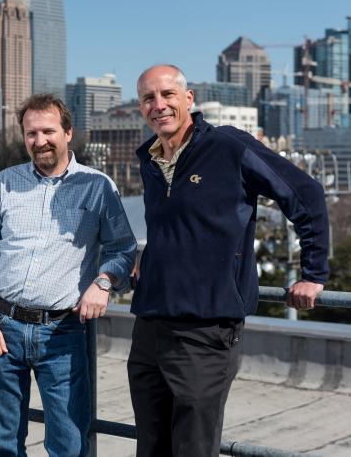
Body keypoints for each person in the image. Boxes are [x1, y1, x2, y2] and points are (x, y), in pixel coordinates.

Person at [129, 64, 329, 457]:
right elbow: (179, 226)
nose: (158, 105)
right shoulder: (149, 160)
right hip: (150, 326)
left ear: (188, 99)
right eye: (148, 98)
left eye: (168, 94)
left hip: (206, 331)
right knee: (151, 448)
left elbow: (306, 195)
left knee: (193, 449)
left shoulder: (228, 146)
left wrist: (314, 274)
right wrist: (150, 260)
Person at [0, 93, 137, 457]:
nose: (39, 140)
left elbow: (123, 248)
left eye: (48, 131)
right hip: (2, 326)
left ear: (68, 132)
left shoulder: (98, 186)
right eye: (31, 133)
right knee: (2, 445)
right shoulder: (4, 183)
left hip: (62, 333)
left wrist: (103, 283)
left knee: (68, 444)